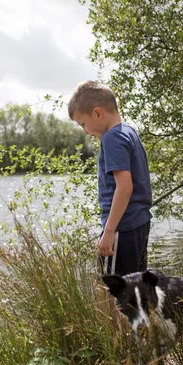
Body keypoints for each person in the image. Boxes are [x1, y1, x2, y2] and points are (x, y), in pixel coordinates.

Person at [68, 80, 152, 276]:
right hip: (138, 222)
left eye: (83, 124)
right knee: (135, 289)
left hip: (121, 228)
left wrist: (108, 231)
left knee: (113, 291)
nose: (85, 131)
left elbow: (124, 187)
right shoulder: (129, 131)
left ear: (98, 113)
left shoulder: (112, 138)